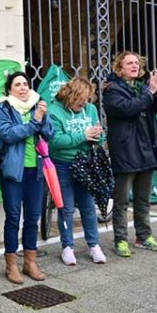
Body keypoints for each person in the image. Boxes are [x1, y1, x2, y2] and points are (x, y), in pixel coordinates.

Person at [103, 51, 157, 258]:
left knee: (143, 199)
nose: (134, 66)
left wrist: (156, 90)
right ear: (119, 68)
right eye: (129, 63)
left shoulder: (143, 88)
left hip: (146, 150)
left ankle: (143, 236)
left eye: (136, 63)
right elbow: (128, 108)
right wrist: (149, 93)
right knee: (122, 201)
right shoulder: (112, 89)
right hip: (125, 151)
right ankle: (121, 240)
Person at [0, 70, 54, 284]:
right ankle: (11, 265)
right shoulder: (3, 109)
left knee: (32, 218)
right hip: (12, 172)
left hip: (35, 171)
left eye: (25, 84)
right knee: (13, 218)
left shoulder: (38, 105)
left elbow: (50, 134)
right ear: (9, 89)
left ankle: (30, 262)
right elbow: (8, 134)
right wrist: (35, 123)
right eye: (17, 84)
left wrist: (43, 119)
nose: (22, 88)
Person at [48, 77, 107, 266]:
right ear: (69, 96)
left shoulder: (90, 109)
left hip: (87, 162)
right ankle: (67, 247)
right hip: (63, 164)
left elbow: (100, 135)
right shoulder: (54, 111)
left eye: (87, 99)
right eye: (80, 100)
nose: (84, 103)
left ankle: (94, 245)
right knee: (66, 208)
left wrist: (98, 136)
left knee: (88, 206)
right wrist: (83, 135)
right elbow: (55, 141)